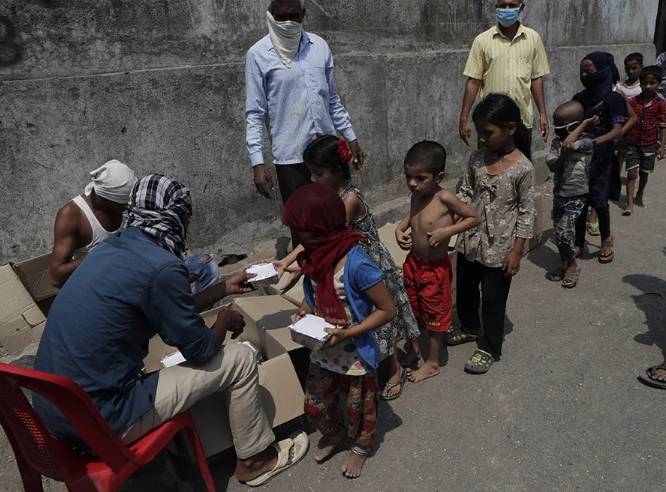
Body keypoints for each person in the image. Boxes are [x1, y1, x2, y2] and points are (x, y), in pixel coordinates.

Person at [34, 175, 308, 487]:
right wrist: (222, 321)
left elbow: (161, 304)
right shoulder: (162, 266)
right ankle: (254, 460)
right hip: (102, 420)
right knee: (242, 360)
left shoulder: (110, 249)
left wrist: (222, 288)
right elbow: (202, 350)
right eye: (186, 216)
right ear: (174, 216)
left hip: (53, 411)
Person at [275, 135, 420, 401]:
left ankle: (395, 370)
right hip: (346, 263)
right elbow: (316, 236)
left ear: (338, 170)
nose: (312, 179)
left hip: (367, 265)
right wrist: (287, 261)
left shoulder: (349, 199)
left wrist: (297, 261)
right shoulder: (328, 195)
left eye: (318, 173)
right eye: (310, 173)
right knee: (363, 320)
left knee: (381, 324)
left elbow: (322, 233)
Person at [282, 183, 396, 479]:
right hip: (323, 351)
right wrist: (307, 307)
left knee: (361, 409)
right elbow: (316, 289)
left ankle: (361, 446)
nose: (299, 240)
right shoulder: (316, 257)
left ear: (323, 228)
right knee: (315, 405)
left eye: (302, 232)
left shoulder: (357, 263)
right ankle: (334, 434)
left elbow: (387, 310)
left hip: (355, 355)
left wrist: (349, 333)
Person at [245, 0, 364, 245]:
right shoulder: (258, 54)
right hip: (291, 158)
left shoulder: (319, 47)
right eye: (281, 16)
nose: (288, 21)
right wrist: (258, 162)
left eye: (294, 15)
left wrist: (350, 136)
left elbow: (331, 98)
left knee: (338, 217)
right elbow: (255, 113)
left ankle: (340, 276)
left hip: (327, 152)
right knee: (304, 228)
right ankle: (311, 276)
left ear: (304, 15)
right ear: (270, 16)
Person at [454, 94, 536, 374]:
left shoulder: (523, 168)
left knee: (492, 300)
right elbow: (465, 190)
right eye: (480, 133)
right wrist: (457, 214)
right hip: (470, 242)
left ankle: (489, 346)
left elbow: (527, 213)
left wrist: (516, 252)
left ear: (511, 129)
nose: (482, 139)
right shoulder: (476, 159)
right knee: (464, 290)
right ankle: (468, 326)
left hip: (500, 250)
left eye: (488, 133)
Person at [394, 141, 481, 383]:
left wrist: (448, 231)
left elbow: (473, 217)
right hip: (413, 264)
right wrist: (400, 229)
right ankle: (415, 347)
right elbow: (413, 213)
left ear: (439, 176)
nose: (412, 183)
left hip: (434, 270)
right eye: (408, 176)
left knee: (435, 314)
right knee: (412, 308)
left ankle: (432, 363)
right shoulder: (417, 194)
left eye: (419, 178)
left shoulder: (444, 197)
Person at [459, 0, 550, 149]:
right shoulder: (482, 41)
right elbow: (473, 81)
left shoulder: (533, 38)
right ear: (496, 7)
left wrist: (542, 114)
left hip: (521, 120)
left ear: (521, 7)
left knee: (521, 166)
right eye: (502, 6)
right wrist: (463, 118)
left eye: (512, 5)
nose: (507, 9)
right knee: (487, 167)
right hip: (491, 121)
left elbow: (536, 78)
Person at [572, 52, 636, 263]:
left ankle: (606, 238)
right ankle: (579, 242)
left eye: (589, 71)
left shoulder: (613, 98)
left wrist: (596, 141)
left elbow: (617, 129)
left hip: (602, 159)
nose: (585, 75)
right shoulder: (579, 99)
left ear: (604, 71)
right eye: (582, 72)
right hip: (580, 159)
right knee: (580, 201)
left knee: (599, 202)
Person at [49, 160, 135, 288]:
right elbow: (56, 277)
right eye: (123, 205)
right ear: (106, 200)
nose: (128, 207)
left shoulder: (120, 203)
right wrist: (101, 253)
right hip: (99, 287)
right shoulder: (71, 216)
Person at [545, 101, 598, 288]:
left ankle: (573, 266)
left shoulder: (586, 143)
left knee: (564, 232)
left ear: (575, 126)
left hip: (577, 195)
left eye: (562, 127)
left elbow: (570, 143)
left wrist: (584, 125)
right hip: (560, 193)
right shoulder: (556, 143)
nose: (557, 131)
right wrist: (562, 156)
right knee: (561, 234)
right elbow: (552, 165)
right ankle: (565, 263)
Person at [623, 66, 666, 215]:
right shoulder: (633, 102)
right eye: (644, 83)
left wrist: (662, 147)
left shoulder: (660, 103)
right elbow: (626, 120)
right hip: (632, 144)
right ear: (640, 83)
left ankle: (640, 193)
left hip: (650, 144)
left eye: (651, 83)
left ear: (658, 84)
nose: (647, 86)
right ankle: (629, 203)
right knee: (631, 174)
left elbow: (662, 125)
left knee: (644, 173)